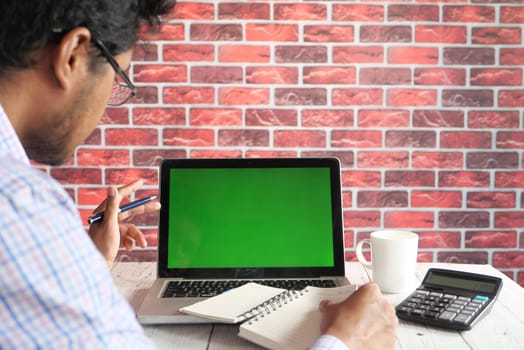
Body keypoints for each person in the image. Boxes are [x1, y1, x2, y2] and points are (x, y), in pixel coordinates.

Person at [0, 1, 397, 349]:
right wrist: (346, 341)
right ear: (72, 54)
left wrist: (81, 264)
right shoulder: (21, 205)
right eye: (118, 80)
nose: (108, 103)